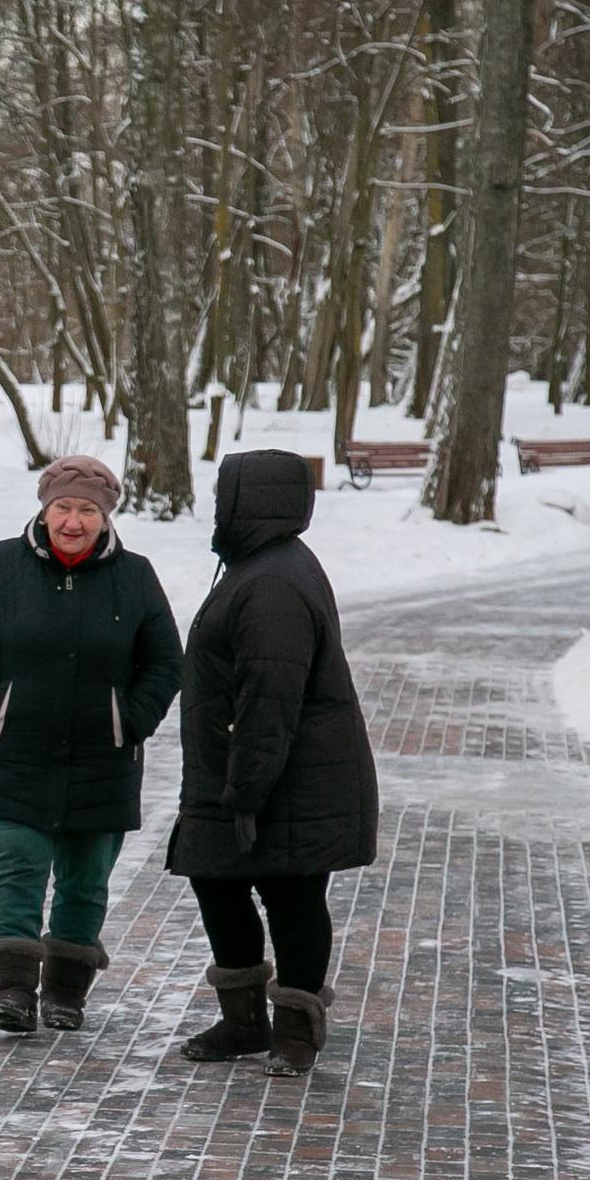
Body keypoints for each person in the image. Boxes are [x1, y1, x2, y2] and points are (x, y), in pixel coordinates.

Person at [0, 456, 182, 1033]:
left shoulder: (135, 575)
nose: (72, 521)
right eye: (62, 508)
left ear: (105, 517)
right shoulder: (3, 565)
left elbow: (165, 661)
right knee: (17, 864)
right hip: (17, 753)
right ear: (44, 509)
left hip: (103, 759)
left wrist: (129, 721)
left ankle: (65, 993)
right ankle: (12, 991)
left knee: (85, 878)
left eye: (86, 510)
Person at [168, 449, 379, 1076]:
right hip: (241, 769)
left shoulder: (272, 583)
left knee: (291, 894)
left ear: (249, 503)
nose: (216, 507)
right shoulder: (260, 566)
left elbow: (270, 697)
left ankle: (294, 1029)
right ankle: (244, 1021)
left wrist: (247, 792)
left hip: (284, 778)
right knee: (216, 878)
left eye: (225, 495)